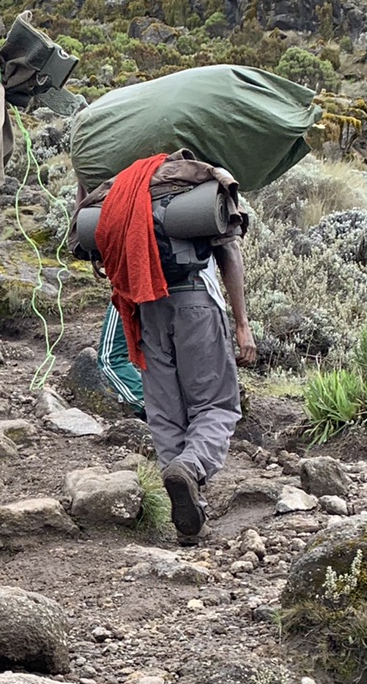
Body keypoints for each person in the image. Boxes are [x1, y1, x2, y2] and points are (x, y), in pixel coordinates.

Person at [90, 153, 255, 543]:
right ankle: (191, 467)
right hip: (196, 301)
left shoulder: (126, 186)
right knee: (215, 404)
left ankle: (188, 517)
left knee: (165, 412)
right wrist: (243, 324)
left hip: (147, 308)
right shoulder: (198, 181)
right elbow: (229, 252)